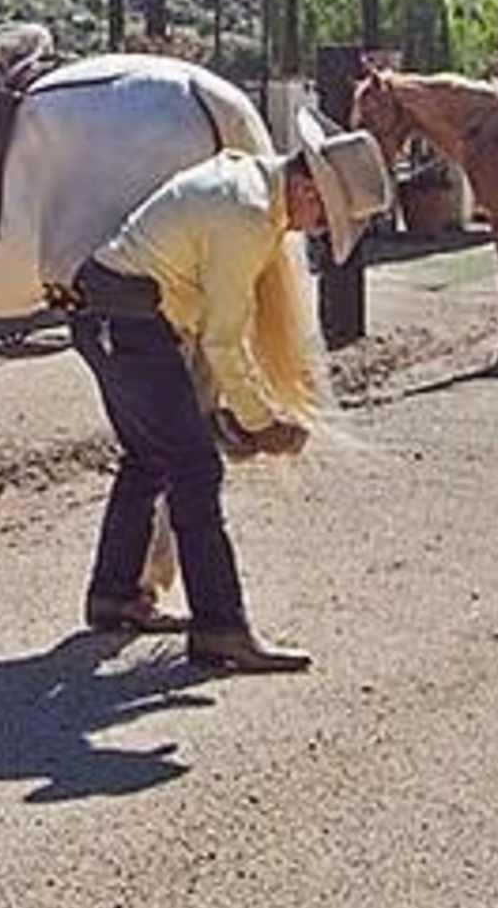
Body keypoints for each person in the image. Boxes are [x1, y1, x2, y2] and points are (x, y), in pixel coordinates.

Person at [52, 112, 391, 676]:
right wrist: (261, 422)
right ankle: (220, 627)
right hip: (131, 327)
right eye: (322, 217)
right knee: (195, 469)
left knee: (148, 459)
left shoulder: (245, 182)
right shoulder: (248, 216)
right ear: (308, 187)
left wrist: (247, 408)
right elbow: (224, 341)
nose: (315, 229)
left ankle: (113, 594)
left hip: (112, 320)